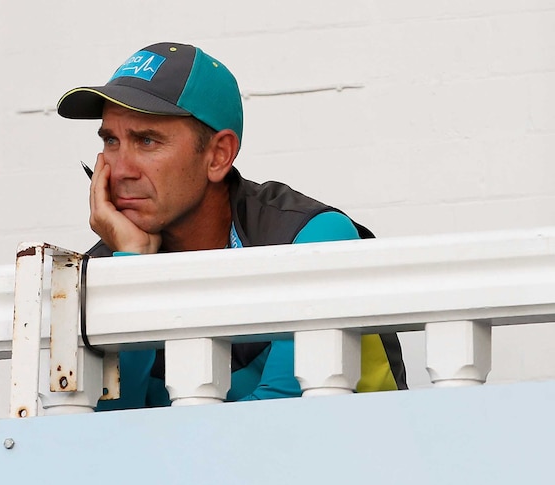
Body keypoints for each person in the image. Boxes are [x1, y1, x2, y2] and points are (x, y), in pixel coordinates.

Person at [57, 42, 407, 409]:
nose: (121, 170)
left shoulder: (312, 236)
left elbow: (286, 416)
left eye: (147, 140)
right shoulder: (103, 267)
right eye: (111, 140)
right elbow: (104, 438)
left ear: (218, 155)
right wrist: (131, 265)